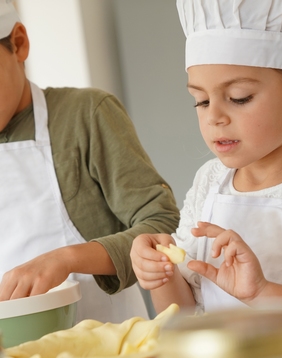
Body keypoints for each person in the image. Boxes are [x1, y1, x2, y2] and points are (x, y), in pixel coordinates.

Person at [130, 0, 282, 314]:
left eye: (238, 98)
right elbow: (187, 318)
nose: (214, 117)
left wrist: (261, 292)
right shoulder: (209, 181)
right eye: (201, 101)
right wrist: (160, 271)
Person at [0, 0, 180, 322]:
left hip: (107, 347)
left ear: (19, 43)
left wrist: (67, 258)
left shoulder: (86, 115)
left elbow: (164, 227)